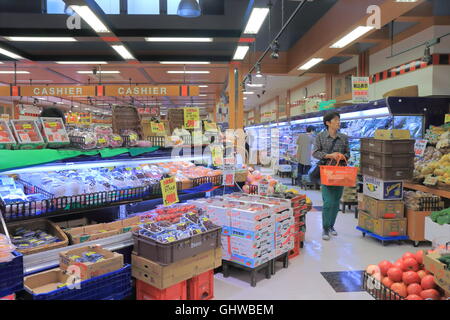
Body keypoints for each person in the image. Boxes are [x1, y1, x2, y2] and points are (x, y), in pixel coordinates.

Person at [312, 112, 350, 241]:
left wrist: (342, 156)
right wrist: (330, 155)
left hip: (340, 173)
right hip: (326, 172)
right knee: (328, 201)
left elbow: (348, 154)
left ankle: (332, 225)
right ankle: (325, 227)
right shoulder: (320, 137)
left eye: (339, 120)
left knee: (335, 201)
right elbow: (315, 153)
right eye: (335, 120)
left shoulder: (344, 138)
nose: (338, 122)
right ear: (328, 123)